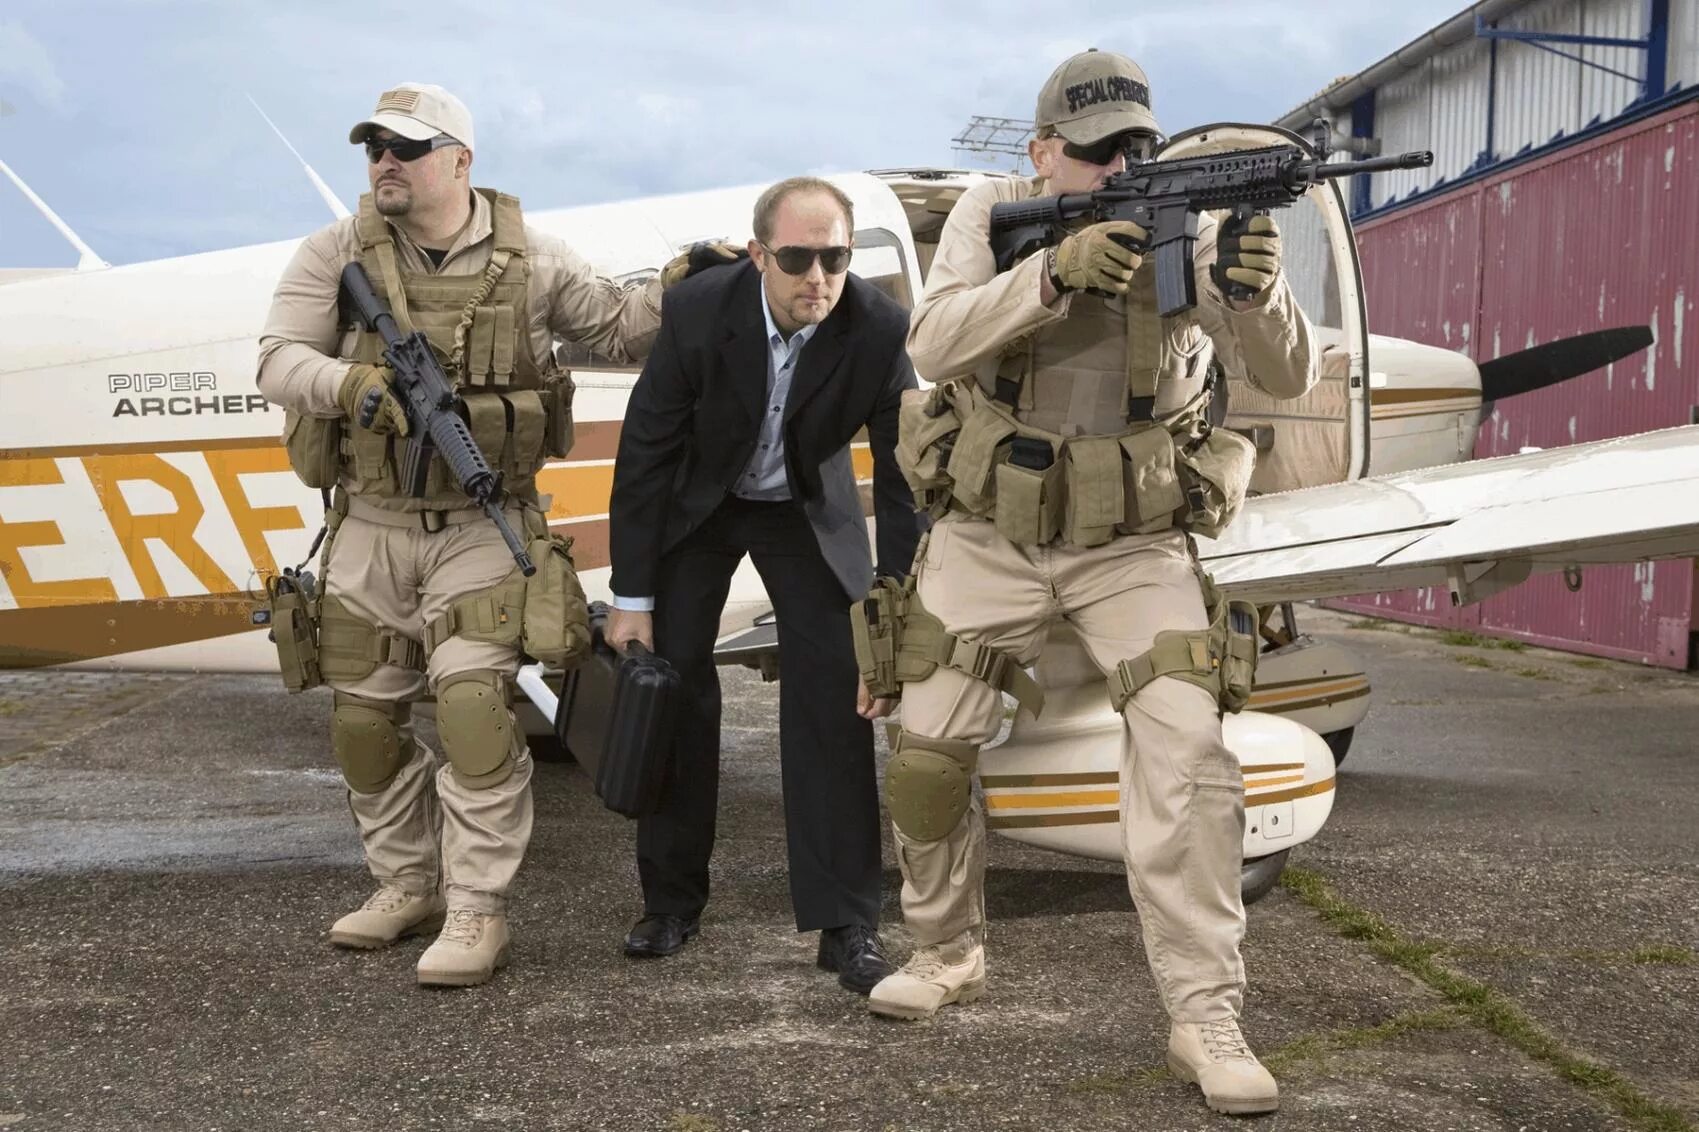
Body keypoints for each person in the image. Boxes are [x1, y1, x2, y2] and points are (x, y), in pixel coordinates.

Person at [858, 50, 1318, 1115]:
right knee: (926, 751)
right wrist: (1052, 275)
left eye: (1135, 148)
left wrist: (1258, 292)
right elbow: (932, 343)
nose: (1119, 165)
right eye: (1097, 149)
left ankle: (1205, 1015)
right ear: (1042, 153)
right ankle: (945, 950)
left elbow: (1288, 374)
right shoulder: (993, 210)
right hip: (989, 532)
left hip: (1133, 542)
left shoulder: (1195, 229)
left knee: (1188, 753)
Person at [257, 82, 722, 988]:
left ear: (460, 161)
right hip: (370, 524)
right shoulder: (335, 251)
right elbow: (278, 359)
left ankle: (477, 908)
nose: (384, 162)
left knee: (473, 709)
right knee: (364, 722)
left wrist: (683, 288)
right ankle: (405, 884)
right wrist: (352, 387)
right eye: (374, 148)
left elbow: (619, 330)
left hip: (485, 522)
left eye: (406, 148)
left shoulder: (534, 258)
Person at [605, 176, 920, 996]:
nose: (818, 276)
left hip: (804, 512)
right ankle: (670, 904)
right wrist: (632, 598)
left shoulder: (878, 328)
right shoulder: (697, 310)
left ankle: (846, 923)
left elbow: (903, 482)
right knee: (673, 686)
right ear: (757, 255)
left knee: (835, 696)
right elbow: (644, 452)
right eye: (797, 258)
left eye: (835, 258)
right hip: (700, 504)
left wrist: (891, 610)